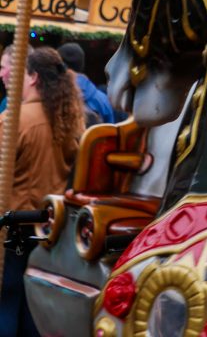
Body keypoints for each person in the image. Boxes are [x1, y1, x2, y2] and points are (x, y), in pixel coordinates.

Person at [0, 46, 85, 336]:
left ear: (33, 77)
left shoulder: (14, 121)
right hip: (48, 229)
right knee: (31, 306)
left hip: (12, 228)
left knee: (7, 301)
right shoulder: (68, 121)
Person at [58, 41, 118, 126]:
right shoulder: (102, 100)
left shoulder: (50, 97)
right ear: (82, 65)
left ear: (59, 67)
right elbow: (109, 134)